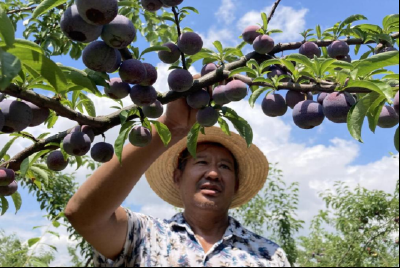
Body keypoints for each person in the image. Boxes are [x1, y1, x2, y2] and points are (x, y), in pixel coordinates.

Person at [65, 97, 291, 267]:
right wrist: (171, 127)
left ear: (237, 185)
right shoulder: (145, 235)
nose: (213, 173)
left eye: (224, 166)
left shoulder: (268, 255)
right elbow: (83, 215)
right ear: (177, 177)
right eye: (201, 162)